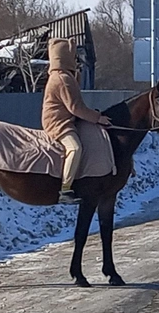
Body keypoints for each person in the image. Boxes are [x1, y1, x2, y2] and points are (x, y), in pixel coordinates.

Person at [42, 38, 112, 205]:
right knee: (75, 148)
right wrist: (97, 118)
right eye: (72, 56)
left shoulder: (64, 76)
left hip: (67, 119)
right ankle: (65, 189)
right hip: (59, 123)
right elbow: (76, 107)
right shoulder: (62, 79)